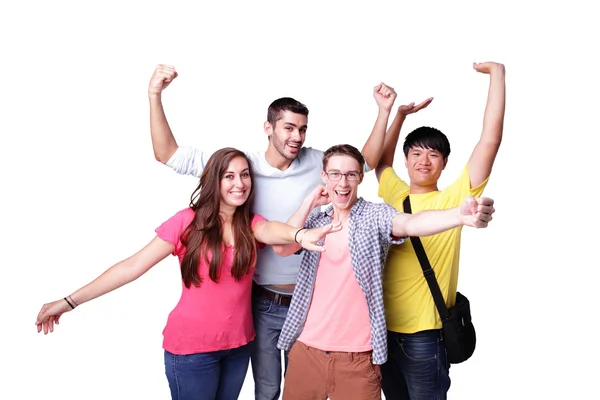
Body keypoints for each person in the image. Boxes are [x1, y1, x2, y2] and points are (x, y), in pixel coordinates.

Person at [147, 64, 397, 399]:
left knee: (303, 388)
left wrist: (383, 112)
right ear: (268, 127)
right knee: (266, 388)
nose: (297, 137)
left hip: (312, 302)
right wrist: (155, 95)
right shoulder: (241, 168)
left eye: (303, 129)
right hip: (263, 300)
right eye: (289, 128)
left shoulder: (319, 164)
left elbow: (362, 161)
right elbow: (167, 154)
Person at [35, 147, 342, 400]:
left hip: (237, 347)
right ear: (214, 181)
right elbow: (130, 267)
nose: (240, 183)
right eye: (229, 176)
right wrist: (69, 301)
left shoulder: (250, 224)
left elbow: (273, 231)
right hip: (192, 350)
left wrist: (300, 233)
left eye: (245, 175)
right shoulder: (186, 222)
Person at [274, 144, 496, 400]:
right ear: (324, 177)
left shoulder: (374, 216)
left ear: (360, 178)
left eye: (350, 174)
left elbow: (411, 223)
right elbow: (282, 246)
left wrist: (459, 215)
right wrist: (310, 201)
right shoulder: (315, 221)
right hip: (307, 350)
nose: (342, 182)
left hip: (357, 358)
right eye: (335, 174)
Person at [375, 61, 506, 399]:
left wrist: (497, 76)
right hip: (381, 332)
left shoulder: (455, 198)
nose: (423, 160)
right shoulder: (395, 193)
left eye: (433, 155)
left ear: (445, 162)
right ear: (406, 160)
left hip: (426, 336)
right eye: (416, 153)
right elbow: (381, 162)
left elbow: (489, 141)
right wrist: (400, 115)